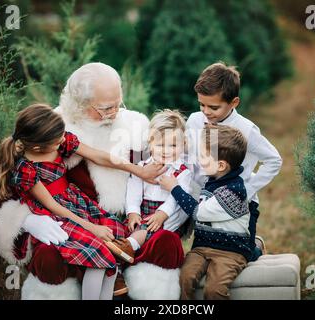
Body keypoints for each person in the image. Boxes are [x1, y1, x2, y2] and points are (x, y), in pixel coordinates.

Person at [0, 63, 184, 300]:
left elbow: (175, 165)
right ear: (80, 105)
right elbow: (1, 198)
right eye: (105, 108)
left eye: (118, 104)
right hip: (67, 223)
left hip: (117, 222)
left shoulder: (134, 126)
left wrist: (145, 180)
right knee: (54, 257)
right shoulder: (49, 130)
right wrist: (27, 221)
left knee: (164, 242)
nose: (114, 112)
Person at [186, 62, 283, 260]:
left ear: (234, 102)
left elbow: (274, 160)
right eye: (201, 104)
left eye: (213, 107)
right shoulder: (195, 121)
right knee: (206, 251)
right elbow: (190, 159)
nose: (206, 111)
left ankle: (254, 246)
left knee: (241, 254)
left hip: (239, 203)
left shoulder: (246, 130)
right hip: (206, 200)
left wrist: (248, 190)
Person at [160, 124, 252, 299]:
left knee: (214, 290)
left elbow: (198, 213)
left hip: (230, 251)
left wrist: (174, 188)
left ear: (221, 165)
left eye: (204, 156)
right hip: (202, 248)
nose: (199, 159)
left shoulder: (232, 191)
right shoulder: (214, 178)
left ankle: (254, 248)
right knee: (184, 278)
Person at [110, 110, 193, 263]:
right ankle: (121, 257)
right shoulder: (142, 167)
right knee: (129, 227)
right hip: (144, 210)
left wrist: (162, 213)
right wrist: (133, 212)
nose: (167, 150)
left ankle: (129, 247)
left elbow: (176, 199)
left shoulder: (182, 172)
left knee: (147, 230)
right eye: (161, 144)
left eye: (173, 145)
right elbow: (133, 192)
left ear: (184, 144)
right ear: (151, 143)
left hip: (169, 215)